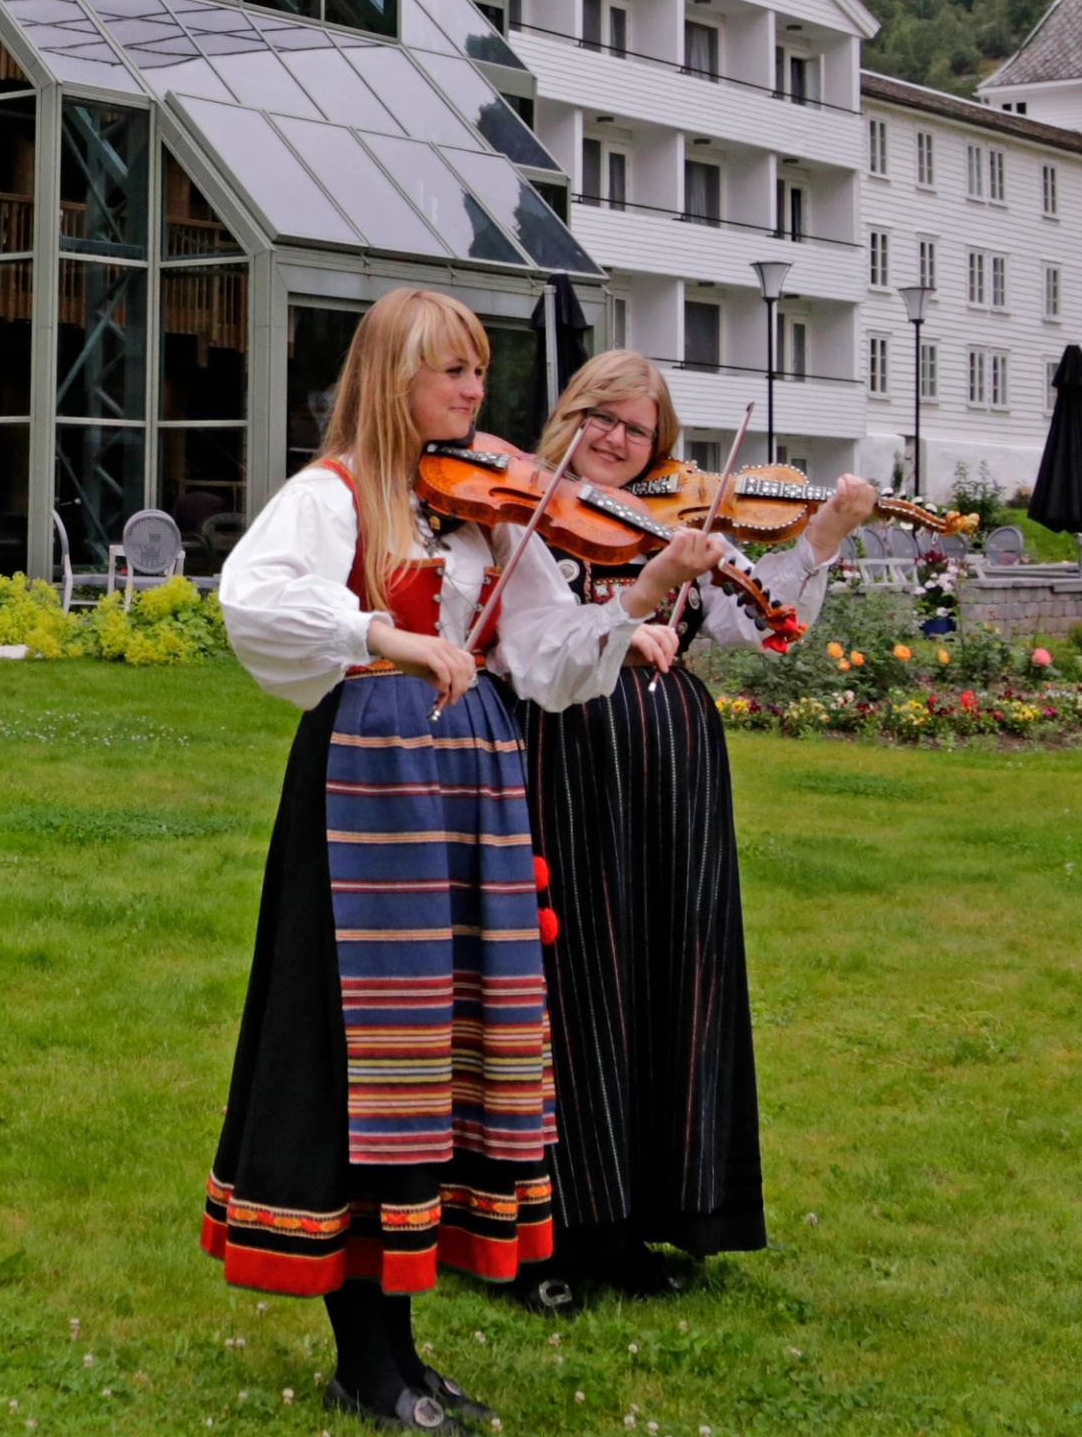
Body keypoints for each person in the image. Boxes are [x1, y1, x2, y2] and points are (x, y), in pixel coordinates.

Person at [206, 290, 726, 1431]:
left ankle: (401, 1349)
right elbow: (252, 600)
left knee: (446, 1055)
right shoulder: (337, 493)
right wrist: (379, 633)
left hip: (477, 779)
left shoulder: (490, 515)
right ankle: (369, 1358)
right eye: (450, 372)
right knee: (368, 1059)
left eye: (480, 374)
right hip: (370, 785)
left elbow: (543, 658)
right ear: (393, 378)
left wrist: (644, 589)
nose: (472, 394)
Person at [510, 349, 874, 1307]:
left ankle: (640, 1223)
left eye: (639, 429)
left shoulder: (679, 519)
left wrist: (825, 533)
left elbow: (765, 625)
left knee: (672, 980)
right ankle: (550, 1235)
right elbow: (515, 643)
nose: (618, 442)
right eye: (603, 419)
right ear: (571, 416)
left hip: (672, 770)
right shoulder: (520, 517)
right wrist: (623, 614)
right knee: (573, 982)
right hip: (566, 765)